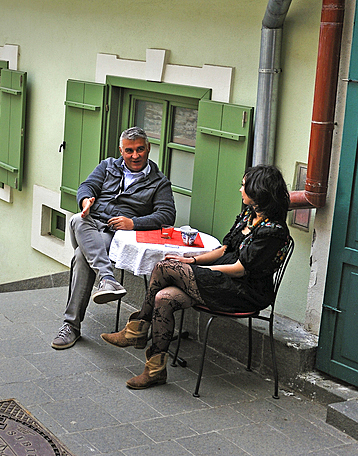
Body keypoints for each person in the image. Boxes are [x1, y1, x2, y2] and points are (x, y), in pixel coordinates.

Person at [102, 164, 292, 389]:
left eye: (244, 186)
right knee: (163, 297)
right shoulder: (249, 215)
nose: (240, 190)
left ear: (258, 191)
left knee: (164, 267)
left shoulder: (274, 232)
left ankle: (138, 328)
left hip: (243, 291)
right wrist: (192, 262)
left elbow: (241, 268)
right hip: (221, 280)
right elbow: (224, 249)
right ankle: (154, 370)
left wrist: (201, 272)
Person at [51, 126, 176, 350]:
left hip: (117, 234)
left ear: (148, 148)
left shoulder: (159, 182)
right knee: (77, 220)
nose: (135, 155)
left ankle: (71, 326)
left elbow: (166, 215)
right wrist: (86, 199)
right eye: (129, 151)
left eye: (140, 149)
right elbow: (87, 186)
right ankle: (107, 278)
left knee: (81, 256)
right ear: (121, 150)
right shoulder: (107, 166)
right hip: (92, 223)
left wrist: (133, 223)